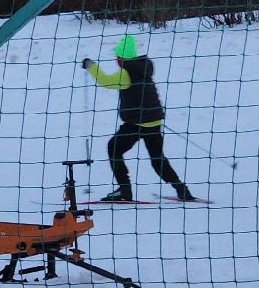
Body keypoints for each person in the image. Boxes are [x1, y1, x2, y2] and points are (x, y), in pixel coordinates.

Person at [82, 34, 195, 203]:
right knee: (158, 160)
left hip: (136, 124)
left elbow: (105, 81)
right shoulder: (142, 68)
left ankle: (124, 191)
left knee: (114, 149)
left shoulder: (126, 73)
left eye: (117, 57)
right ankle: (182, 190)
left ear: (121, 58)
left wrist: (91, 66)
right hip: (154, 122)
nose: (116, 60)